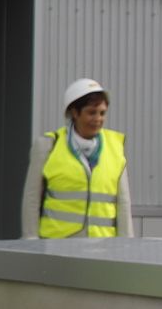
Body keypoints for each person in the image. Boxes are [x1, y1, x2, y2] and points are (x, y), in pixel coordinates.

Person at [21, 79, 133, 238]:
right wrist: (30, 240)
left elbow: (123, 203)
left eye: (102, 113)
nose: (98, 119)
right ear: (74, 112)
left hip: (104, 246)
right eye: (91, 112)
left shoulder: (115, 147)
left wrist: (126, 244)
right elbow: (31, 198)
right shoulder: (48, 146)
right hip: (57, 245)